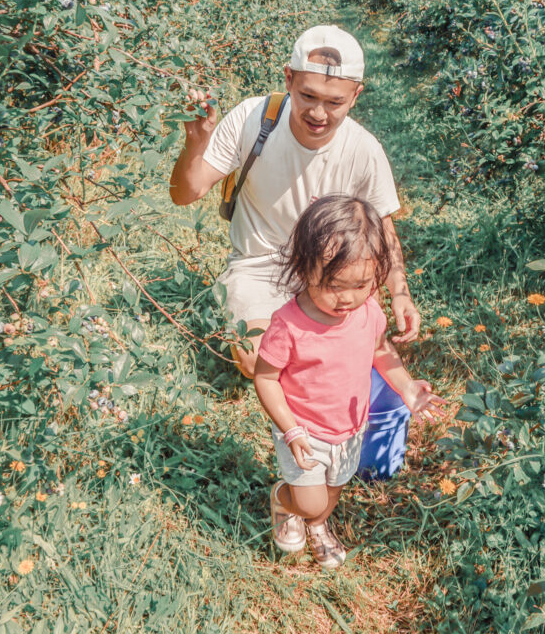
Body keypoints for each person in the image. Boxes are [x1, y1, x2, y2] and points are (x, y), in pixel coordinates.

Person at [169, 25, 420, 377]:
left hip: (331, 275)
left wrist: (399, 293)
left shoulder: (363, 150)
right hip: (258, 271)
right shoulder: (253, 120)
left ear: (356, 96)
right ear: (288, 79)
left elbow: (384, 230)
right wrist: (195, 144)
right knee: (257, 360)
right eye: (308, 96)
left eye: (334, 103)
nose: (319, 113)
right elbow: (184, 194)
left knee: (360, 352)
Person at [254, 195, 443, 569]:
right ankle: (286, 500)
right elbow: (266, 378)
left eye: (361, 285)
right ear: (304, 267)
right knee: (311, 499)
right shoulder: (288, 325)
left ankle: (319, 526)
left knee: (335, 487)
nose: (347, 299)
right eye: (334, 285)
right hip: (303, 431)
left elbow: (380, 350)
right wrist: (289, 429)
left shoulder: (367, 309)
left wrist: (406, 388)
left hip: (351, 428)